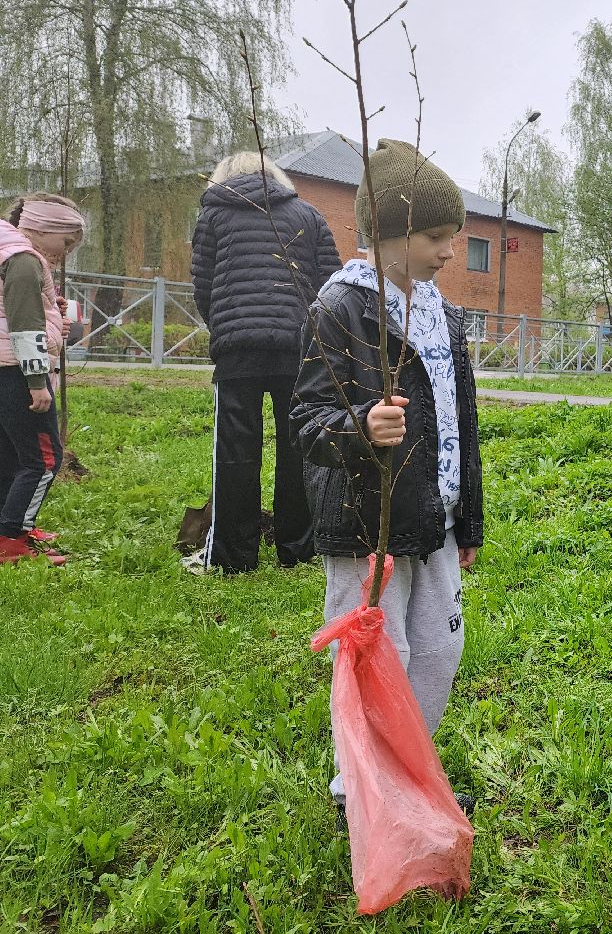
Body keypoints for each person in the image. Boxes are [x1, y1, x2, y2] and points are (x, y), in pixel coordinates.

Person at [291, 139, 483, 824]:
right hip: (368, 522)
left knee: (439, 648)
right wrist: (359, 431)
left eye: (454, 238)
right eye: (437, 236)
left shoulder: (441, 313)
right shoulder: (341, 307)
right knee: (383, 658)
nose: (449, 252)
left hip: (435, 516)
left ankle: (407, 772)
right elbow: (307, 418)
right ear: (394, 233)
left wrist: (470, 520)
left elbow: (463, 422)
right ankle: (361, 795)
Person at [192, 153, 340, 575]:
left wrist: (225, 325)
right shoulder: (308, 214)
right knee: (299, 446)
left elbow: (203, 284)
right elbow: (329, 282)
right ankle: (297, 548)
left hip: (238, 348)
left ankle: (234, 556)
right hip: (297, 345)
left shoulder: (213, 215)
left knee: (235, 449)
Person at [0, 195, 85, 565]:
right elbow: (24, 326)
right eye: (65, 242)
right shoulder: (23, 260)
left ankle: (9, 526)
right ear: (42, 228)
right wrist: (37, 380)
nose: (66, 252)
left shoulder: (8, 250)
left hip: (4, 368)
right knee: (44, 460)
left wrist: (53, 310)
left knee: (10, 455)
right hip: (20, 374)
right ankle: (12, 538)